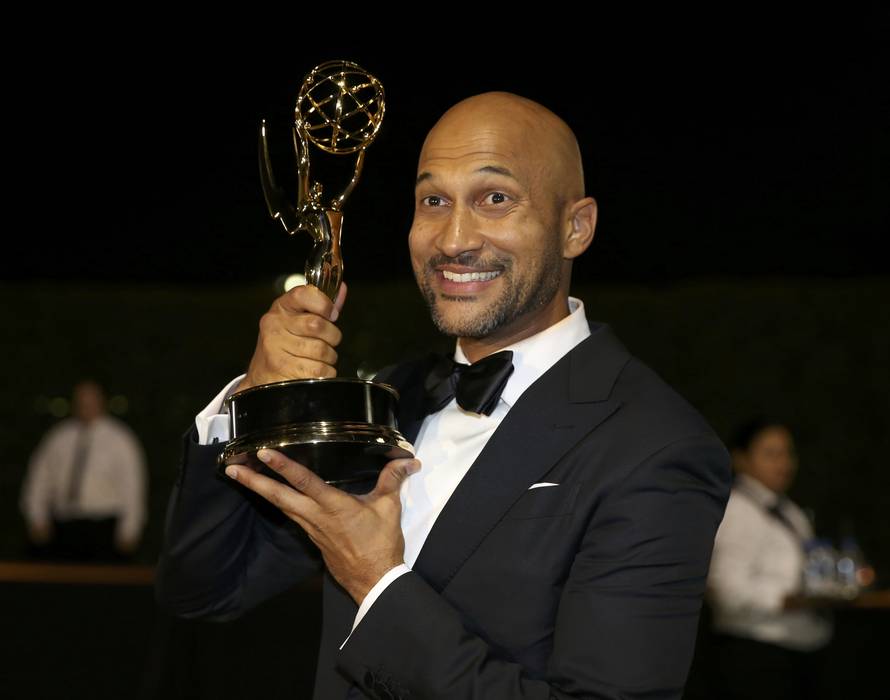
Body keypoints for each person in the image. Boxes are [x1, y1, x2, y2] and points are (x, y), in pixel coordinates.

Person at [156, 92, 731, 699]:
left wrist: (377, 582)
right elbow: (205, 590)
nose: (453, 239)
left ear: (575, 227)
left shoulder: (656, 445)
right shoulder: (389, 399)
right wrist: (251, 396)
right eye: (434, 201)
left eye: (495, 199)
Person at [707, 419, 832, 700]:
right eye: (771, 454)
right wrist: (788, 599)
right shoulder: (737, 509)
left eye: (788, 453)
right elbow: (726, 587)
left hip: (796, 650)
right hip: (756, 654)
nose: (784, 463)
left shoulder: (788, 509)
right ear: (741, 458)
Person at [20, 379, 147, 560]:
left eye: (91, 399)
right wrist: (36, 516)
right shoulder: (59, 437)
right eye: (81, 399)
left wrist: (130, 529)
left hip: (103, 527)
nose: (86, 405)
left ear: (101, 400)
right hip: (64, 526)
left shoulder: (120, 439)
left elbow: (132, 486)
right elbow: (40, 478)